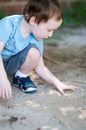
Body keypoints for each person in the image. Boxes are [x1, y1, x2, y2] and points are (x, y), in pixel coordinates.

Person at [0, 0, 77, 99]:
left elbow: (40, 68)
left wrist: (58, 83)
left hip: (8, 66)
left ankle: (20, 77)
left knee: (34, 53)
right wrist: (2, 79)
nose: (50, 35)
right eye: (49, 30)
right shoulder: (8, 24)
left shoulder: (36, 38)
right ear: (33, 21)